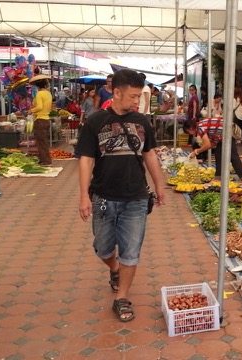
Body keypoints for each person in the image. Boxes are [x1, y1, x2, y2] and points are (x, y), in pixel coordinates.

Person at [78, 69, 166, 323]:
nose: (136, 102)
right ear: (116, 92)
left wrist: (159, 185)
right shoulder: (95, 122)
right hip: (103, 197)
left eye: (139, 97)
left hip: (136, 198)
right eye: (133, 96)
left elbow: (149, 154)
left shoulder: (142, 121)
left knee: (131, 251)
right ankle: (114, 268)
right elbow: (86, 160)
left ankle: (122, 297)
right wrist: (84, 196)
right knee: (103, 248)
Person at [183, 118, 242, 186]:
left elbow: (207, 144)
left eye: (188, 132)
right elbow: (211, 144)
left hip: (228, 132)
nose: (191, 134)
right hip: (222, 135)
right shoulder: (201, 126)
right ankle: (218, 178)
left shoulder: (200, 128)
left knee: (233, 156)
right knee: (219, 156)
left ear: (191, 128)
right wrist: (198, 151)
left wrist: (197, 151)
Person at [29, 75, 53, 166]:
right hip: (46, 119)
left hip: (40, 119)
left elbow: (39, 107)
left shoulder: (39, 94)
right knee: (42, 140)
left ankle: (46, 161)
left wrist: (31, 110)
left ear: (37, 86)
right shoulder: (48, 93)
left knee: (41, 141)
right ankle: (43, 159)